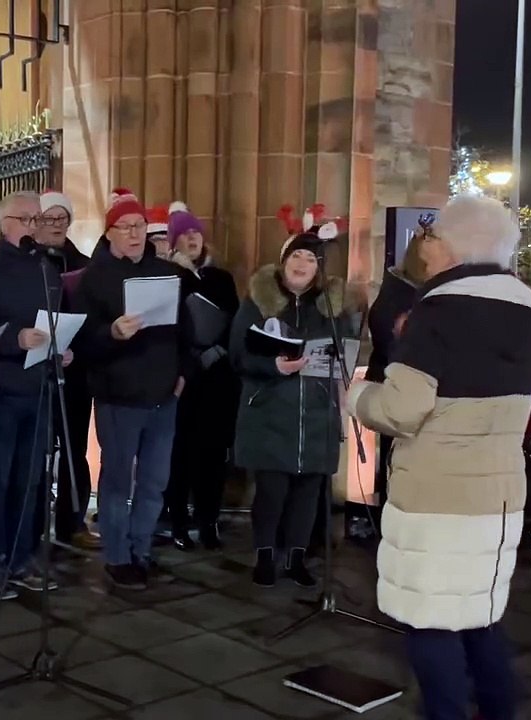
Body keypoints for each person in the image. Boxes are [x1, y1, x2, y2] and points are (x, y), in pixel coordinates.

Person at [348, 195, 531, 720]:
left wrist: (357, 394)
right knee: (480, 618)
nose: (424, 247)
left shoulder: (441, 309)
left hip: (438, 499)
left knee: (430, 621)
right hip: (498, 496)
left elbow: (401, 409)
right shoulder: (526, 304)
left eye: (432, 236)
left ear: (458, 245)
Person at [73, 188, 192, 590]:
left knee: (155, 481)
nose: (135, 233)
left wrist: (183, 374)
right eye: (126, 227)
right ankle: (118, 556)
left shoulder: (168, 272)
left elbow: (185, 332)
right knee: (118, 480)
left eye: (140, 226)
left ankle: (142, 549)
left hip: (164, 396)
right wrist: (112, 332)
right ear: (109, 233)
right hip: (118, 396)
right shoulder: (94, 278)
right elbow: (82, 339)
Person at [228, 223, 357, 588]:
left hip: (316, 412)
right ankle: (266, 557)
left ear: (319, 268)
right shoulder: (258, 302)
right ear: (284, 262)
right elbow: (239, 354)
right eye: (296, 255)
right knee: (271, 492)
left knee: (308, 493)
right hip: (271, 409)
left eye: (311, 258)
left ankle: (298, 558)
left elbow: (346, 352)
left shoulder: (330, 308)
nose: (302, 263)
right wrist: (274, 366)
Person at [0, 190, 67, 600]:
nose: (36, 227)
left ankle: (22, 558)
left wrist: (62, 345)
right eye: (27, 219)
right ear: (4, 223)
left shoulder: (47, 268)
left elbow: (55, 319)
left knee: (32, 480)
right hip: (1, 390)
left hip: (40, 389)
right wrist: (14, 339)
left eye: (39, 219)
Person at [161, 201, 239, 551]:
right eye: (184, 234)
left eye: (195, 232)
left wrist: (217, 349)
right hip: (182, 379)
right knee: (180, 454)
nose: (192, 238)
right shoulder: (166, 276)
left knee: (212, 455)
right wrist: (191, 355)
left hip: (217, 378)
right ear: (173, 241)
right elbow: (166, 324)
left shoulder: (221, 278)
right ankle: (178, 521)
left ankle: (209, 522)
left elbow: (233, 321)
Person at [32, 190, 98, 551]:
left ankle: (72, 523)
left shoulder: (85, 264)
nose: (56, 226)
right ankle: (34, 525)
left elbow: (92, 318)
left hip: (75, 372)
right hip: (37, 371)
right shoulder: (30, 262)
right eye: (48, 219)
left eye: (61, 219)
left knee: (73, 448)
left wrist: (77, 349)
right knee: (40, 449)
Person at [358, 229, 429, 539]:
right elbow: (390, 342)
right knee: (396, 462)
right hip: (398, 387)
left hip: (413, 388)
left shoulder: (417, 290)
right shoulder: (400, 292)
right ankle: (392, 526)